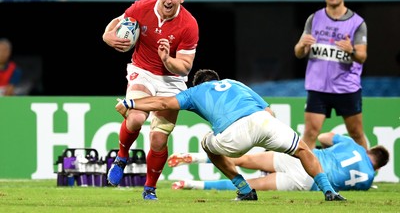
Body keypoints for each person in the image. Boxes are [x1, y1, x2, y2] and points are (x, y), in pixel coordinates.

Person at [115, 69, 346, 201]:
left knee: (206, 143)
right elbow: (269, 111)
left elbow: (163, 101)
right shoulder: (236, 83)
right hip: (265, 122)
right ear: (217, 79)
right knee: (304, 149)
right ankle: (329, 192)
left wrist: (132, 102)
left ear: (197, 83)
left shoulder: (194, 92)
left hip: (234, 134)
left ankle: (245, 190)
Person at [102, 0, 199, 200]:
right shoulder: (142, 7)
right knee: (135, 118)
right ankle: (122, 156)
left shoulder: (189, 25)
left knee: (158, 139)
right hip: (143, 71)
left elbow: (185, 67)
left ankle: (149, 189)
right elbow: (117, 21)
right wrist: (107, 36)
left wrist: (167, 60)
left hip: (172, 80)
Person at [167, 132, 389, 192]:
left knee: (244, 159)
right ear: (377, 168)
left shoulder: (354, 146)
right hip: (309, 182)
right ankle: (190, 184)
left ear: (369, 150)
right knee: (250, 185)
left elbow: (324, 137)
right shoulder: (368, 180)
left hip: (305, 160)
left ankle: (195, 157)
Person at [294, 0, 368, 150]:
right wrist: (301, 45)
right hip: (318, 87)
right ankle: (305, 174)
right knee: (310, 133)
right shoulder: (314, 18)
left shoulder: (357, 23)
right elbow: (298, 52)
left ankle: (367, 170)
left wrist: (351, 50)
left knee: (356, 133)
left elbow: (362, 57)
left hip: (346, 87)